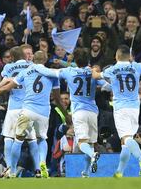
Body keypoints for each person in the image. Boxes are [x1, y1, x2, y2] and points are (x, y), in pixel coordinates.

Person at [0, 51, 67, 178]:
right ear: (46, 59)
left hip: (27, 110)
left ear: (33, 58)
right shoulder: (52, 74)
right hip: (44, 112)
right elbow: (57, 98)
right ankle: (41, 165)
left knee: (17, 140)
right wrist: (66, 114)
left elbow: (6, 88)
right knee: (40, 139)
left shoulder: (26, 71)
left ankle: (11, 170)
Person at [35, 48, 109, 177]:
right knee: (90, 143)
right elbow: (107, 85)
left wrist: (35, 66)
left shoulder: (68, 71)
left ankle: (93, 155)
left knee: (82, 143)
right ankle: (85, 172)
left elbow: (48, 71)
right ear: (88, 60)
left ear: (75, 60)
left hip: (79, 112)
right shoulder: (93, 73)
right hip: (92, 111)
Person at [92, 37, 141, 177]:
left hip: (121, 108)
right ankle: (119, 172)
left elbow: (96, 76)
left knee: (127, 138)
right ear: (129, 56)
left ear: (116, 56)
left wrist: (92, 69)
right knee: (125, 142)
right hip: (135, 108)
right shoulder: (136, 66)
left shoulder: (112, 69)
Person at [0, 46, 32, 178]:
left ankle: (10, 167)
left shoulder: (8, 68)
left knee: (9, 138)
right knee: (34, 140)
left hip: (14, 107)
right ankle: (40, 167)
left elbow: (2, 86)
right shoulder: (33, 66)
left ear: (12, 57)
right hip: (30, 107)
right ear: (24, 55)